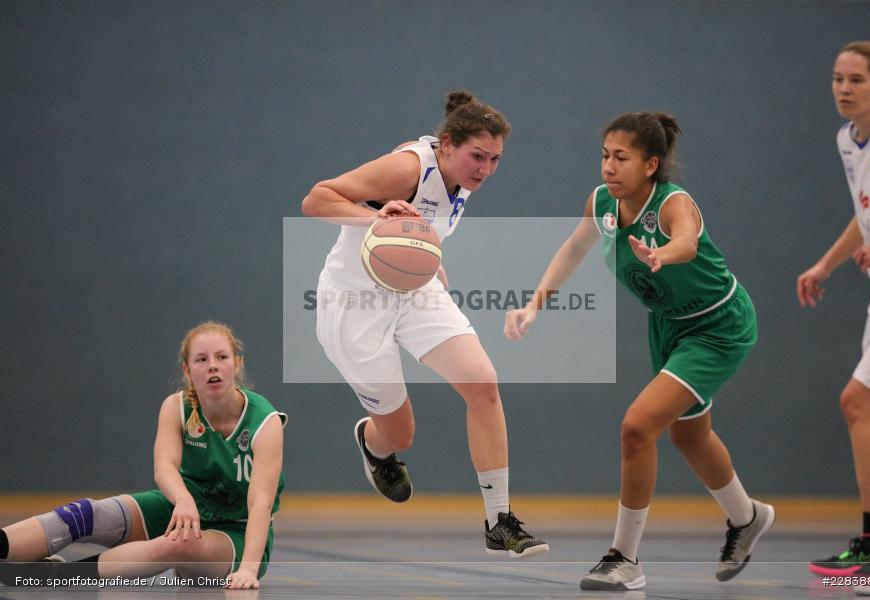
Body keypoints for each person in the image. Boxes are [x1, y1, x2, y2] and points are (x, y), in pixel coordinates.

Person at [504, 112, 774, 590]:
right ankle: (746, 517)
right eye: (605, 155)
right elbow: (573, 248)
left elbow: (687, 242)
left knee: (637, 427)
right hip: (668, 326)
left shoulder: (673, 203)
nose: (609, 166)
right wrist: (533, 305)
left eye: (621, 157)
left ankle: (624, 557)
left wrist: (662, 254)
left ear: (650, 164)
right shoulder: (602, 202)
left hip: (717, 325)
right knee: (688, 437)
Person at [301, 90, 548, 558]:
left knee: (483, 383)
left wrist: (423, 259)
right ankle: (374, 446)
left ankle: (499, 521)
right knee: (399, 435)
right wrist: (375, 221)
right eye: (478, 156)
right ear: (448, 144)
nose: (485, 169)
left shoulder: (463, 177)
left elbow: (419, 224)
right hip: (354, 304)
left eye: (496, 159)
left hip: (414, 292)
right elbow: (316, 199)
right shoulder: (408, 168)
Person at [0, 321, 287, 590]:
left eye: (222, 357)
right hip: (183, 508)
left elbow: (260, 504)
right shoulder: (176, 407)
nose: (212, 366)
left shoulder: (264, 422)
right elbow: (164, 467)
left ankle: (55, 576)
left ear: (237, 364)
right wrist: (183, 500)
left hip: (237, 532)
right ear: (187, 371)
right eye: (201, 359)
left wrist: (248, 569)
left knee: (178, 544)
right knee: (86, 513)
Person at [795, 42, 870, 581]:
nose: (843, 88)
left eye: (856, 79)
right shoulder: (848, 140)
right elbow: (867, 215)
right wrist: (825, 265)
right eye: (837, 78)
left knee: (857, 402)